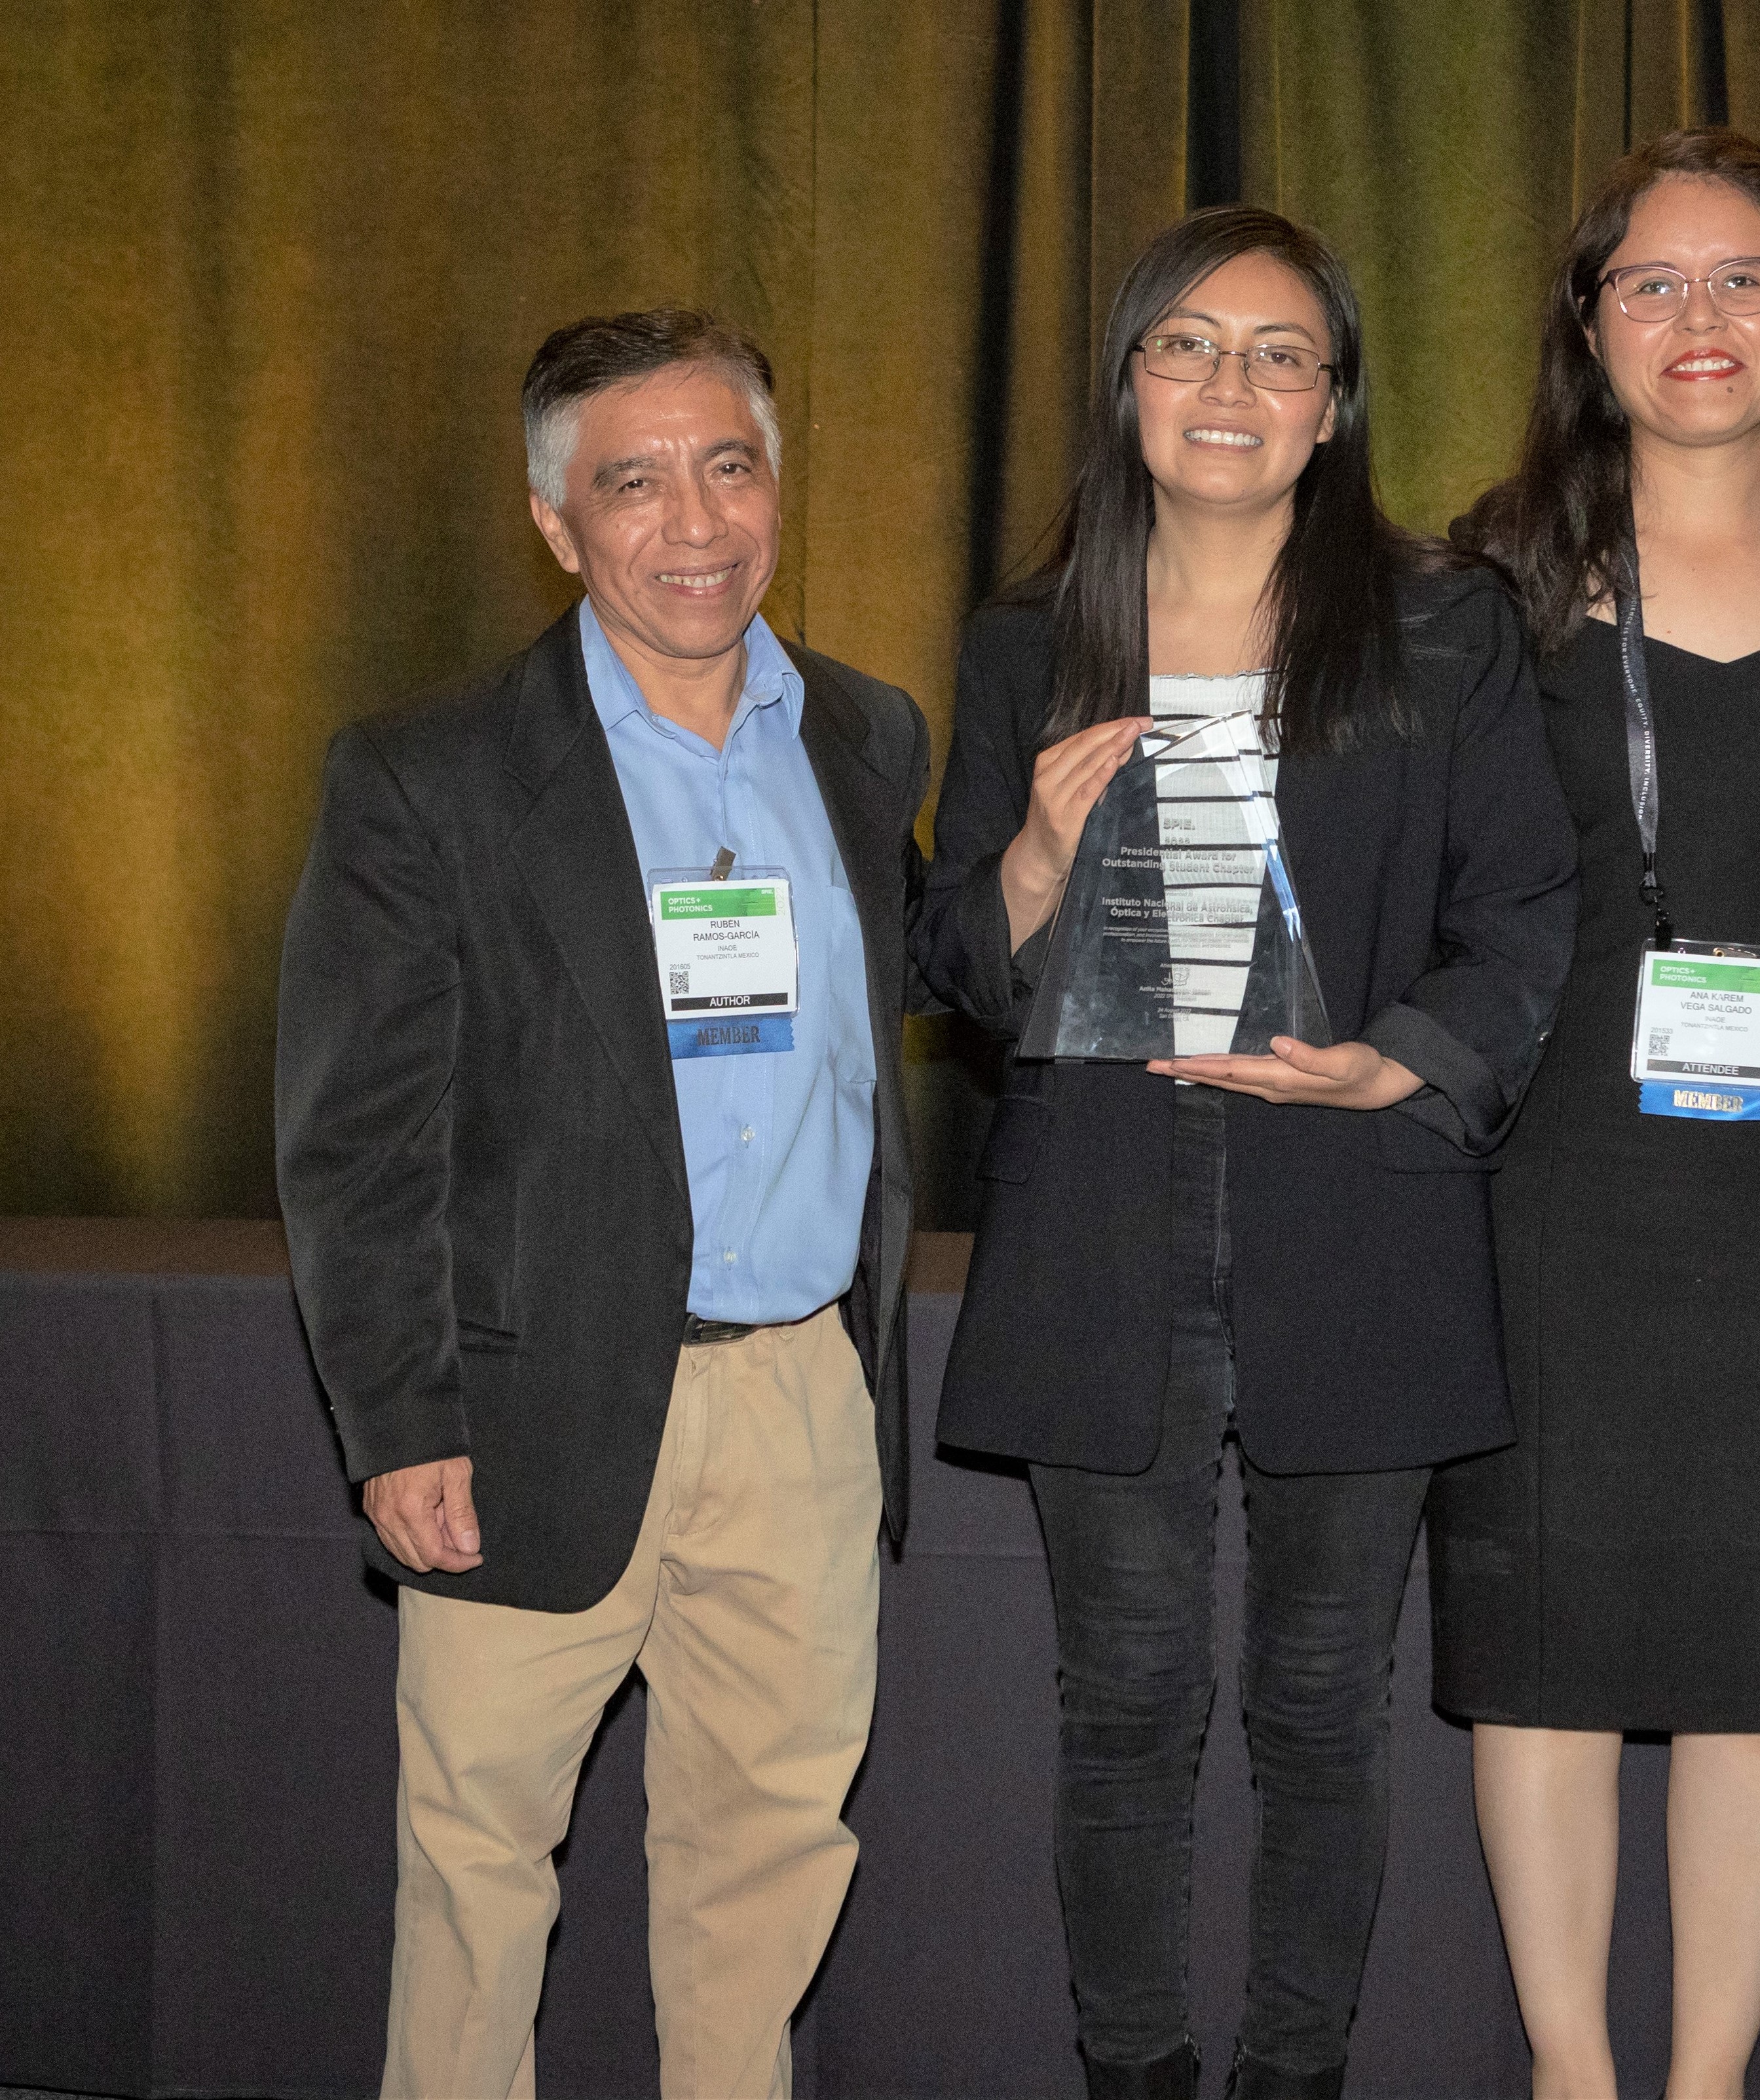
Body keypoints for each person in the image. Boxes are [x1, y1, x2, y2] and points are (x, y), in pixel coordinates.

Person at [914, 206, 1576, 2100]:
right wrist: (1034, 862)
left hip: (1354, 1218)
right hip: (1102, 1228)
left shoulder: (1442, 628)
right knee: (1122, 1707)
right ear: (1128, 385)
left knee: (1318, 1709)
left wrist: (1396, 1069)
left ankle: (1294, 2079)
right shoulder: (1029, 638)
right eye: (1190, 346)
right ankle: (1136, 2073)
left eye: (1279, 352)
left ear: (1333, 404)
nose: (1232, 385)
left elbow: (1528, 911)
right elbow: (955, 953)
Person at [276, 309, 929, 2097]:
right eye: (632, 483)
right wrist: (399, 1421)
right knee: (480, 1863)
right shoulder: (433, 773)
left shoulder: (866, 740)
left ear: (778, 486)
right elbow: (356, 1137)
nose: (694, 520)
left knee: (770, 1866)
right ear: (559, 524)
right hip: (529, 1399)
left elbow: (914, 1013)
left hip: (804, 1400)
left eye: (729, 465)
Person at [1429, 130, 1760, 2099]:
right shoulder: (1489, 578)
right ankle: (1571, 2067)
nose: (1696, 320)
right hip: (1553, 1180)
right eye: (1650, 284)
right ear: (1588, 329)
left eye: (1742, 280)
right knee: (1542, 1633)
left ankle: (1711, 2077)